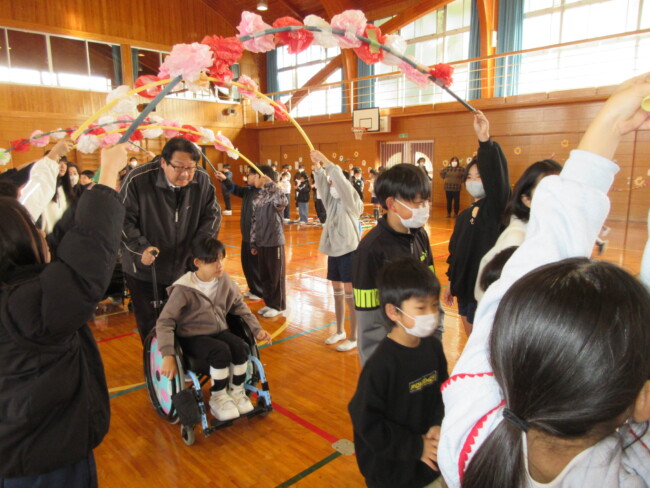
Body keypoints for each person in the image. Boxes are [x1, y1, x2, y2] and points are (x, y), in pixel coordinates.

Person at [439, 73, 650, 488]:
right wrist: (609, 124)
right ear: (641, 401)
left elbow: (531, 265)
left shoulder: (467, 432)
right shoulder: (630, 475)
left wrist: (608, 122)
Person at [0, 144, 127, 486]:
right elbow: (83, 265)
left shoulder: (17, 290)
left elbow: (65, 246)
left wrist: (91, 192)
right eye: (33, 229)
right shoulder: (24, 304)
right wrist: (107, 177)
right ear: (17, 244)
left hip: (21, 450)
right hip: (44, 459)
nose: (42, 232)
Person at [349, 257, 448, 488]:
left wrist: (438, 423)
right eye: (421, 307)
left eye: (434, 305)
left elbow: (443, 393)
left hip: (427, 468)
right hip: (391, 474)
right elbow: (367, 423)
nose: (431, 314)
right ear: (393, 312)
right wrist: (416, 446)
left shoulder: (433, 347)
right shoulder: (381, 366)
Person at [157, 237, 272, 421]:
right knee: (220, 351)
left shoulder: (224, 281)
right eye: (212, 261)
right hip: (192, 337)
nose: (219, 265)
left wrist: (257, 330)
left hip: (218, 331)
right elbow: (165, 321)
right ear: (197, 263)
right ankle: (218, 396)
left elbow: (240, 307)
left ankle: (236, 391)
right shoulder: (184, 289)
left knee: (240, 347)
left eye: (221, 259)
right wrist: (168, 354)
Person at [120, 136, 221, 343]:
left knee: (185, 321)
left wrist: (200, 248)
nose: (185, 174)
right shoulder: (138, 179)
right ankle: (156, 362)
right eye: (178, 167)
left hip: (186, 266)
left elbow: (212, 215)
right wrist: (141, 248)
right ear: (163, 162)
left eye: (190, 168)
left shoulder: (202, 179)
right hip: (146, 270)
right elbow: (122, 220)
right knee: (153, 326)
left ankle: (180, 359)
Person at [352, 163, 436, 365]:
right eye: (418, 203)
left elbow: (431, 292)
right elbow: (369, 323)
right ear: (392, 204)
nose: (424, 208)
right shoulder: (370, 249)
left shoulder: (420, 236)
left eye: (426, 202)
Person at [442, 112, 510, 336]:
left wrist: (485, 141)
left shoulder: (496, 208)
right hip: (465, 291)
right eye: (469, 177)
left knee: (486, 343)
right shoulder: (463, 216)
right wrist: (452, 282)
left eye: (479, 176)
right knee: (471, 341)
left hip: (486, 292)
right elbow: (456, 253)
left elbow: (498, 180)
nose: (472, 181)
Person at [474, 159, 562, 301]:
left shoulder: (550, 234)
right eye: (547, 191)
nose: (557, 197)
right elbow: (497, 298)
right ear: (527, 200)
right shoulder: (517, 239)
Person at [312, 150, 364, 352]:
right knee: (337, 292)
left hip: (349, 251)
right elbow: (323, 188)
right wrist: (318, 168)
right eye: (331, 182)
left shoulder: (352, 202)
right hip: (334, 250)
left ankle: (354, 336)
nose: (331, 185)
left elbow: (341, 183)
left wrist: (327, 162)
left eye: (334, 182)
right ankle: (340, 330)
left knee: (351, 294)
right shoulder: (332, 202)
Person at [216, 167, 264, 301]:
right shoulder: (248, 190)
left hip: (256, 237)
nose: (247, 177)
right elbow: (234, 189)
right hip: (246, 236)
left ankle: (260, 291)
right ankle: (253, 288)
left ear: (259, 177)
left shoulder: (265, 194)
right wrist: (224, 180)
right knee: (247, 264)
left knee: (255, 265)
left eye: (250, 175)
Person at [250, 165, 288, 318]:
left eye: (256, 176)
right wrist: (253, 242)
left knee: (275, 276)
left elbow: (283, 201)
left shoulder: (276, 194)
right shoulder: (258, 197)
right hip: (261, 242)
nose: (253, 178)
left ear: (263, 177)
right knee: (265, 275)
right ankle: (269, 303)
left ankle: (278, 305)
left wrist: (271, 184)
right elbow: (254, 221)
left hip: (274, 241)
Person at [39, 155, 77, 234]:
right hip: (48, 233)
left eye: (65, 163)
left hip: (65, 233)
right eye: (59, 162)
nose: (63, 166)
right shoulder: (42, 187)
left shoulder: (65, 188)